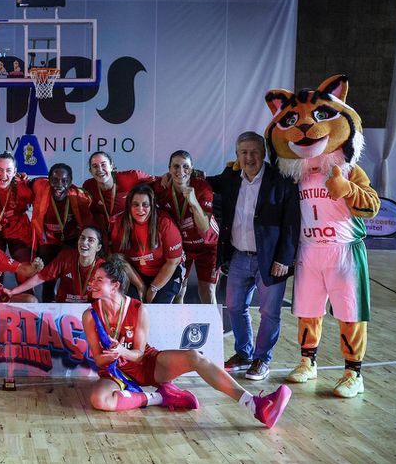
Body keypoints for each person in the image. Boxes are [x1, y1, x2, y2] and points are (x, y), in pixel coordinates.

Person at [82, 255, 291, 428]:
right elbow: (98, 361)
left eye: (99, 279)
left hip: (145, 365)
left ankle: (255, 405)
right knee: (99, 400)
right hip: (114, 373)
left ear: (115, 285)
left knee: (194, 356)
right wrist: (108, 357)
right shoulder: (90, 315)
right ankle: (160, 397)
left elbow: (138, 355)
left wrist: (121, 351)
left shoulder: (138, 309)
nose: (92, 283)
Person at [205, 132, 299, 381]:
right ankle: (243, 353)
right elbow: (204, 183)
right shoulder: (230, 179)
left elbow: (292, 223)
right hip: (238, 256)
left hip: (271, 261)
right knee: (235, 307)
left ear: (264, 153)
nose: (249, 157)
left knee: (270, 312)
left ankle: (261, 359)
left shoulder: (281, 181)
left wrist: (285, 259)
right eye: (244, 152)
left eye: (254, 152)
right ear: (237, 156)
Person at [153, 151, 218, 304]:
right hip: (183, 247)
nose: (180, 171)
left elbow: (203, 227)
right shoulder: (162, 187)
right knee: (178, 291)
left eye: (185, 167)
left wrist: (193, 201)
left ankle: (215, 328)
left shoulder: (202, 187)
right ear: (169, 169)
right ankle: (179, 327)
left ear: (192, 168)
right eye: (176, 166)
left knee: (207, 291)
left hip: (208, 245)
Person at [30, 163, 94, 302]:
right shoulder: (41, 187)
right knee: (48, 276)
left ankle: (70, 303)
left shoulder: (79, 198)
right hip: (49, 240)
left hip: (71, 240)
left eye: (64, 181)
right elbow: (30, 183)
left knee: (71, 273)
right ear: (48, 180)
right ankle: (48, 308)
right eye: (54, 180)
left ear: (70, 182)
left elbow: (88, 225)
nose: (59, 185)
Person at [109, 185, 183, 304]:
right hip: (135, 274)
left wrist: (153, 289)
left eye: (145, 205)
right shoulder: (120, 224)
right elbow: (120, 260)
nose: (140, 209)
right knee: (133, 305)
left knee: (158, 306)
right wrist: (140, 286)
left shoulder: (165, 223)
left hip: (164, 273)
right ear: (129, 206)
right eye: (135, 204)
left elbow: (173, 261)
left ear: (152, 206)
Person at [7, 225, 105, 302]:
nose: (84, 242)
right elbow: (41, 277)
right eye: (82, 238)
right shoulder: (66, 257)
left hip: (89, 313)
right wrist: (12, 292)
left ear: (98, 247)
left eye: (91, 240)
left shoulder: (103, 267)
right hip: (64, 311)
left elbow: (107, 297)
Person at [83, 151, 153, 237]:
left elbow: (157, 182)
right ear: (90, 171)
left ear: (111, 166)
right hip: (106, 235)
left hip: (130, 232)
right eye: (95, 166)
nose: (100, 169)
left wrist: (167, 176)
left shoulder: (131, 177)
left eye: (103, 164)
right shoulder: (88, 186)